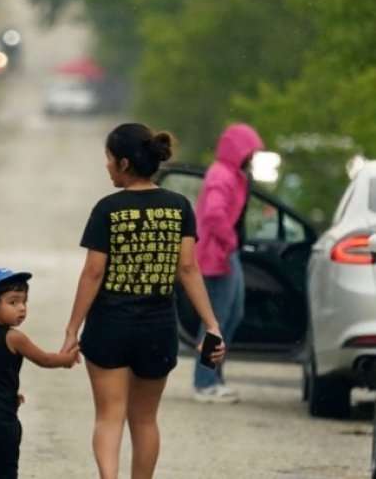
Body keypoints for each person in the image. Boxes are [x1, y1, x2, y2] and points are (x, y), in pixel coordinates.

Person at [61, 123, 225, 479]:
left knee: (109, 416)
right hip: (158, 325)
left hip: (109, 326)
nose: (106, 166)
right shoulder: (179, 207)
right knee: (146, 419)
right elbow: (188, 268)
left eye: (107, 159)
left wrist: (73, 329)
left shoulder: (108, 209)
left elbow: (93, 273)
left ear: (122, 163)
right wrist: (211, 325)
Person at [0, 268, 79, 479]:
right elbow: (44, 359)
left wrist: (10, 393)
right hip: (0, 423)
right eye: (13, 302)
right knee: (6, 471)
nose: (22, 308)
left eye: (24, 302)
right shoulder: (14, 337)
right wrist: (66, 360)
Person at [192, 123, 263, 403]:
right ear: (239, 151)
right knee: (216, 321)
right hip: (215, 255)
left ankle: (215, 377)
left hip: (224, 253)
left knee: (233, 315)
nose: (253, 157)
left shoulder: (233, 174)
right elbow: (213, 214)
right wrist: (230, 240)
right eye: (251, 151)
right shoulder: (222, 176)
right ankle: (205, 381)